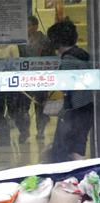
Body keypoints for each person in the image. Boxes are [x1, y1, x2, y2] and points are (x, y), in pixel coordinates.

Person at [48, 19, 93, 162]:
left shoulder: (68, 60)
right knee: (79, 144)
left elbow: (67, 85)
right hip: (87, 106)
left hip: (76, 108)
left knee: (69, 147)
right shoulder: (82, 54)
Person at [18, 15, 55, 140]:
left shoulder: (45, 41)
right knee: (22, 107)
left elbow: (51, 59)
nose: (27, 29)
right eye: (25, 26)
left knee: (40, 106)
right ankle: (24, 132)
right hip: (25, 78)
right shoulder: (21, 41)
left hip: (41, 78)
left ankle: (40, 131)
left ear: (35, 26)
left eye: (29, 26)